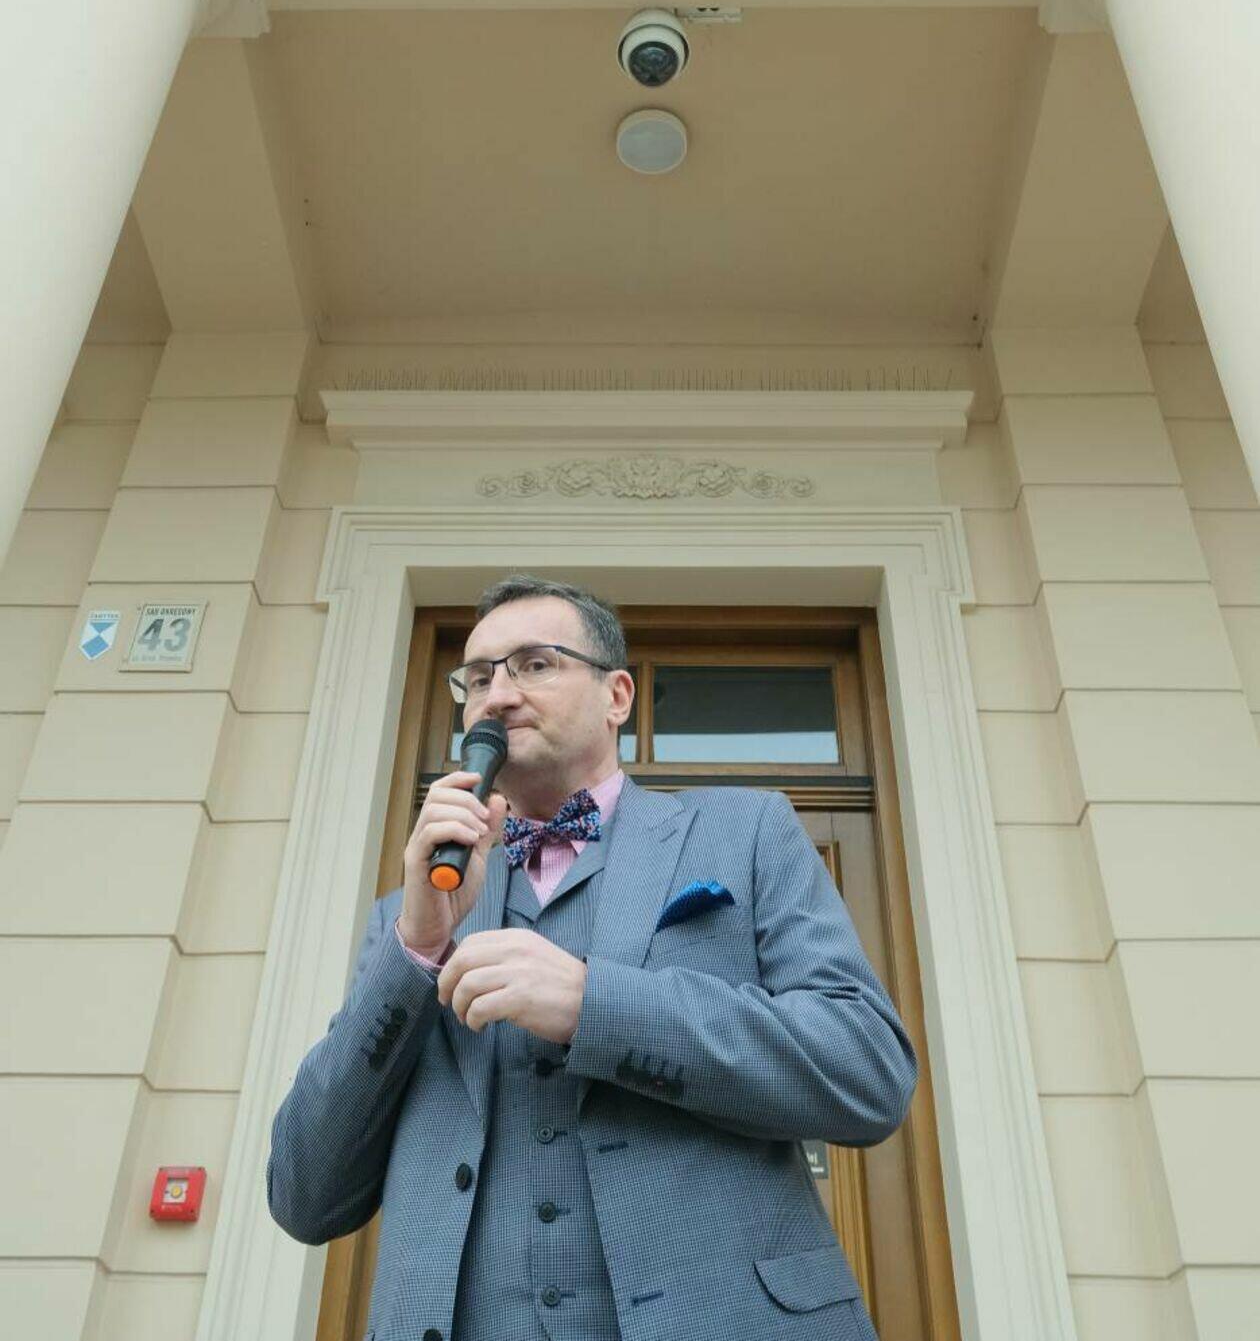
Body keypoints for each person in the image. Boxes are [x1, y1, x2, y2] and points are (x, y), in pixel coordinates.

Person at [268, 574, 918, 1341]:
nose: (498, 695)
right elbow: (305, 1195)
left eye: (534, 664)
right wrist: (415, 949)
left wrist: (594, 1005)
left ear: (617, 695)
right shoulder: (405, 918)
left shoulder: (746, 833)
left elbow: (866, 1069)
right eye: (478, 677)